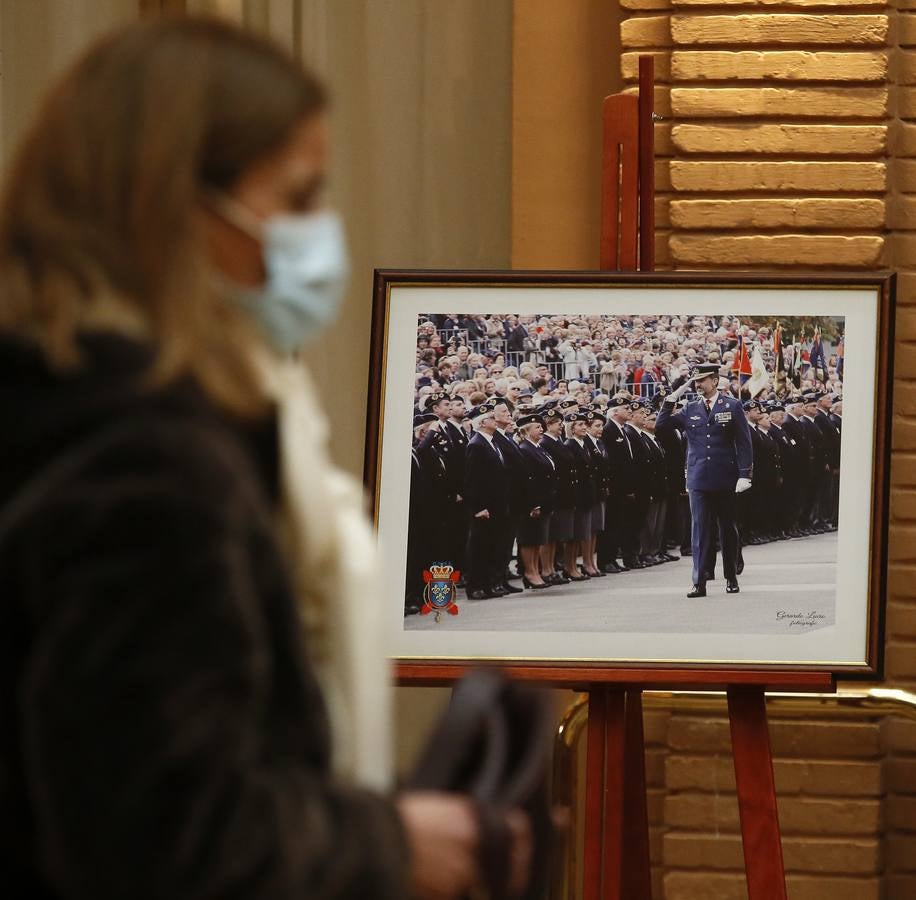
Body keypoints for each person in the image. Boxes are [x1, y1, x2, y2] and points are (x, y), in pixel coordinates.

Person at [0, 17, 530, 900]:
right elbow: (166, 838)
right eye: (298, 198)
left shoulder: (76, 403)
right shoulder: (138, 463)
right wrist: (388, 845)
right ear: (173, 204)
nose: (321, 235)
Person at [657, 363, 753, 597]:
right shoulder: (690, 407)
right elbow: (661, 426)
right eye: (696, 381)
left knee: (727, 530)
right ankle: (699, 582)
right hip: (699, 477)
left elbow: (743, 442)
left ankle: (731, 576)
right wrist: (675, 394)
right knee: (699, 531)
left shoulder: (732, 405)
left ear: (715, 380)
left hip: (726, 477)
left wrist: (744, 474)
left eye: (703, 380)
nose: (699, 385)